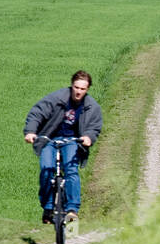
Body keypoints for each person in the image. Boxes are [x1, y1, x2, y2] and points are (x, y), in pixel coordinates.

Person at [23, 70, 103, 225]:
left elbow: (94, 126)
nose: (79, 91)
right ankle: (47, 207)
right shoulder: (57, 98)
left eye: (82, 89)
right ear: (71, 85)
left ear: (87, 89)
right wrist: (31, 132)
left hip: (73, 141)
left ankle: (72, 210)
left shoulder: (91, 106)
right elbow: (36, 113)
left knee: (71, 170)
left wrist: (88, 137)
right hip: (49, 139)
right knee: (46, 168)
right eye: (76, 87)